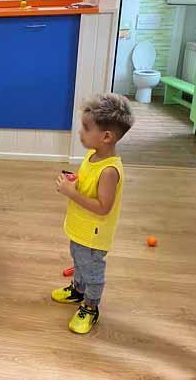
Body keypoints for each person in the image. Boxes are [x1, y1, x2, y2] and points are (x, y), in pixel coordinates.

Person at [52, 93, 134, 334]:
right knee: (78, 260)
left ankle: (90, 306)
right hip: (81, 227)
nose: (80, 132)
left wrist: (71, 193)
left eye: (86, 128)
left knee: (92, 270)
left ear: (106, 136)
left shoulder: (110, 170)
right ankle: (78, 290)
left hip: (94, 233)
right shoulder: (92, 155)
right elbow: (89, 182)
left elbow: (103, 207)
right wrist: (76, 182)